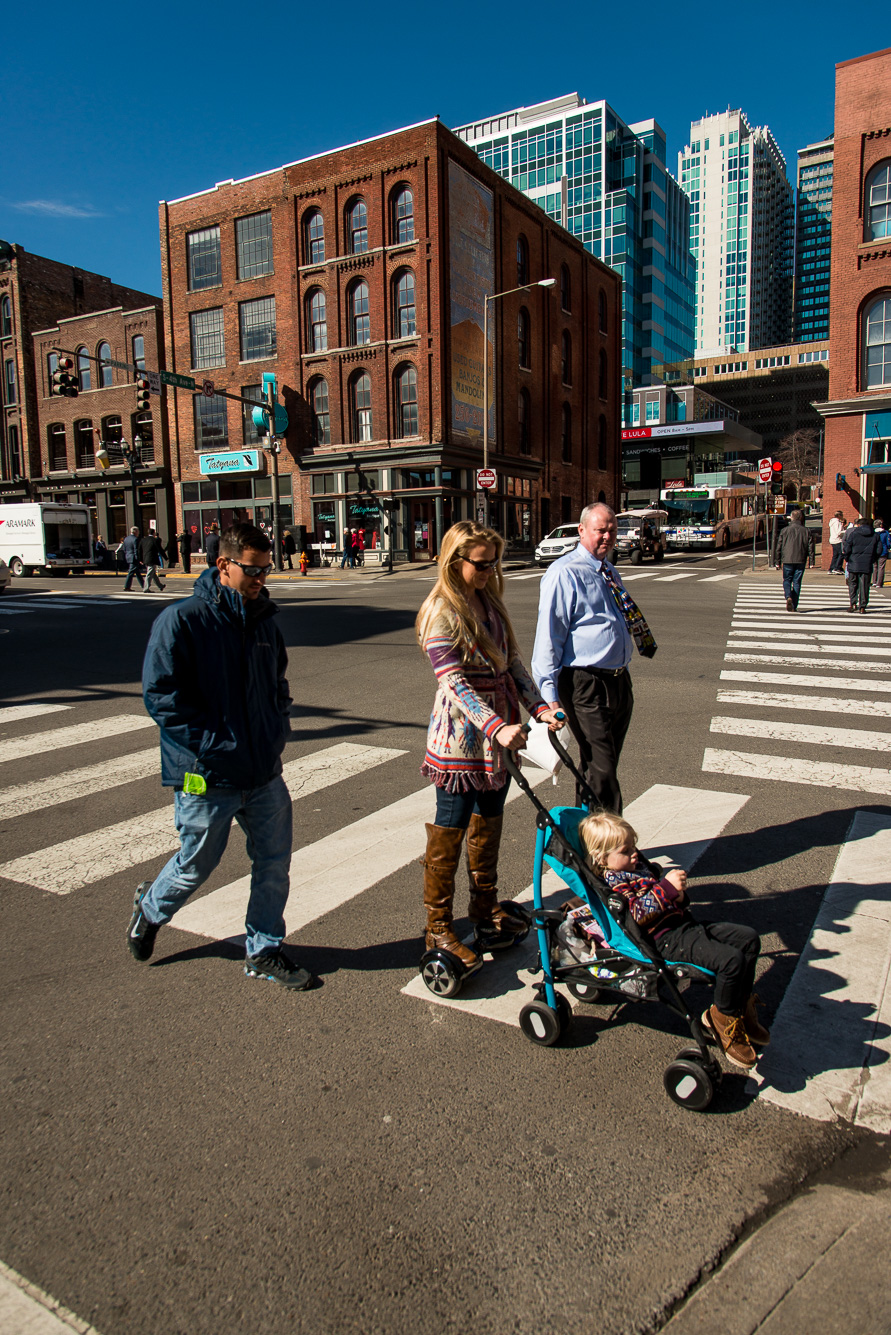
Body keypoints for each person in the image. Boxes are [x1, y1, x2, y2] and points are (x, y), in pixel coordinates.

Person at [128, 522, 313, 990]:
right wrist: (212, 745)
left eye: (267, 569)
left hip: (263, 770)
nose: (262, 579)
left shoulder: (265, 621)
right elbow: (161, 697)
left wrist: (277, 728)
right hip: (206, 773)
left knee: (273, 862)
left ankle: (264, 948)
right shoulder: (183, 620)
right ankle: (151, 909)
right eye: (253, 570)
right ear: (224, 564)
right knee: (196, 862)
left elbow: (278, 684)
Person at [416, 520, 562, 970]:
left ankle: (484, 909)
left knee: (490, 820)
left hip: (500, 736)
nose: (489, 571)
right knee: (452, 827)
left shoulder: (489, 602)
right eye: (481, 564)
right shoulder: (441, 609)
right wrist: (497, 726)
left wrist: (541, 707)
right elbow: (454, 683)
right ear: (454, 561)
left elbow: (513, 663)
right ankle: (438, 926)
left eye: (493, 562)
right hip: (461, 740)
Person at [579, 809, 768, 1070]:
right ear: (602, 858)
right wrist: (666, 889)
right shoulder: (613, 882)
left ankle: (740, 1008)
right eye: (625, 850)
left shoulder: (636, 868)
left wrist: (678, 896)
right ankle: (721, 1018)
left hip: (683, 925)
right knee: (731, 961)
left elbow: (667, 901)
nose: (634, 853)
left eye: (634, 846)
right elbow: (634, 914)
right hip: (664, 939)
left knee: (748, 939)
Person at [532, 503, 656, 814]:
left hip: (617, 681)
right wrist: (550, 698)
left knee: (598, 765)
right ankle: (614, 847)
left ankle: (587, 845)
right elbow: (549, 637)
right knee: (603, 770)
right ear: (582, 530)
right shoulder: (564, 573)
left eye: (612, 529)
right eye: (600, 529)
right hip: (584, 683)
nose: (607, 536)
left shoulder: (608, 569)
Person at [776, 509, 815, 612]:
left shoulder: (784, 530)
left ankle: (788, 596)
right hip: (801, 559)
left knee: (787, 580)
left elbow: (779, 547)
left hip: (787, 559)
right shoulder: (806, 531)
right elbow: (811, 547)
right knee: (797, 582)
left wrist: (777, 561)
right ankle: (794, 603)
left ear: (791, 518)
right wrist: (811, 561)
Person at [843, 515, 882, 613]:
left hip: (853, 562)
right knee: (864, 585)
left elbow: (847, 548)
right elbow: (879, 550)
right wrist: (872, 559)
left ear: (859, 525)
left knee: (853, 584)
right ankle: (863, 606)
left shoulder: (853, 534)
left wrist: (847, 558)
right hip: (867, 563)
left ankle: (853, 603)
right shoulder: (875, 535)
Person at [118, 526, 141, 591]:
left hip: (128, 556)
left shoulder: (126, 539)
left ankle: (144, 586)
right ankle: (126, 586)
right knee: (131, 572)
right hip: (133, 557)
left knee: (137, 573)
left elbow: (124, 549)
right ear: (135, 531)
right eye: (138, 531)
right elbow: (136, 550)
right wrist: (138, 558)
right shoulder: (135, 539)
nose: (138, 533)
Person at [873, 517, 890, 588]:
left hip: (874, 551)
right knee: (881, 567)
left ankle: (874, 581)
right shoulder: (885, 533)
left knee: (875, 567)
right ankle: (879, 583)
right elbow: (888, 543)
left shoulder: (872, 533)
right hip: (883, 551)